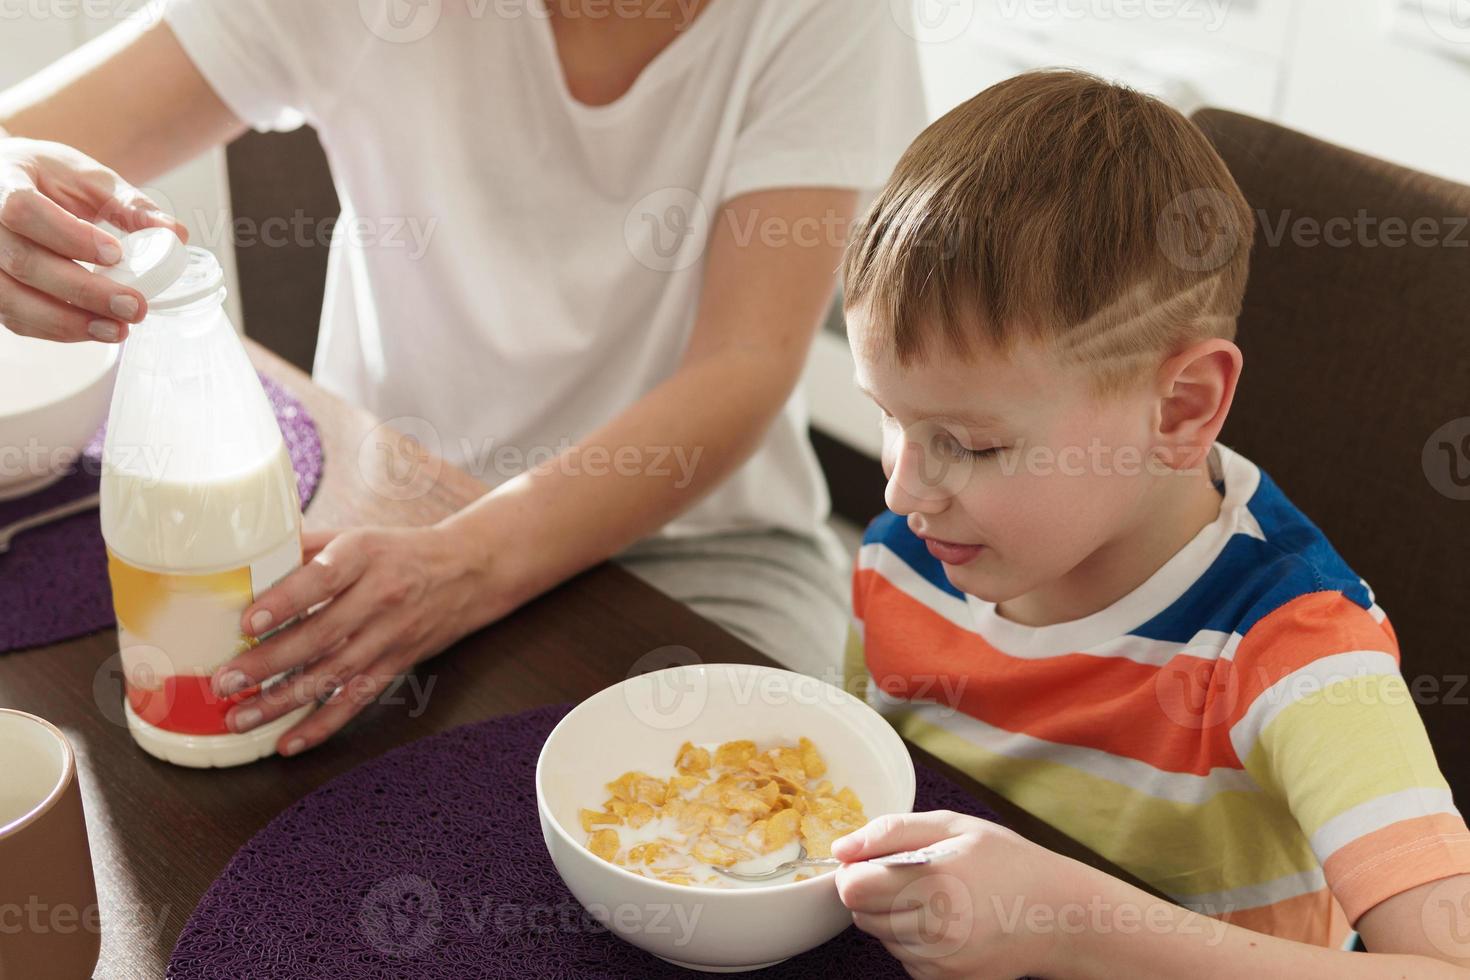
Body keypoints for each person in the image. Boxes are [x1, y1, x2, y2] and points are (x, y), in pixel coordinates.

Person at [0, 1, 925, 755]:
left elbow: (747, 362)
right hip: (374, 517)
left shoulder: (828, 17)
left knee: (756, 826)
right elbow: (20, 138)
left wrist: (468, 566)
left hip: (704, 549)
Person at [831, 69, 1470, 977]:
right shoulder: (916, 550)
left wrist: (1066, 923)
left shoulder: (1297, 652)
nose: (901, 489)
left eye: (971, 443)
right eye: (890, 415)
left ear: (1179, 409)